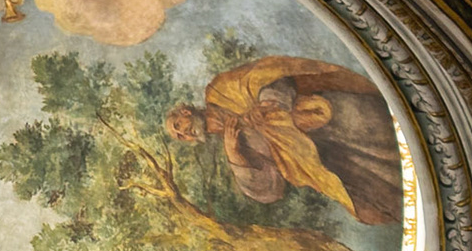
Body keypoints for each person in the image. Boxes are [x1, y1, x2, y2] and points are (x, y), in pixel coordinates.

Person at [165, 56, 402, 227]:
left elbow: (273, 75)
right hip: (331, 162)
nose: (185, 136)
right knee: (387, 194)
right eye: (180, 137)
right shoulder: (231, 144)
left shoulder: (220, 91)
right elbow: (272, 190)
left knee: (394, 141)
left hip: (334, 121)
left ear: (186, 112)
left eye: (178, 127)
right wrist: (235, 155)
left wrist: (267, 105)